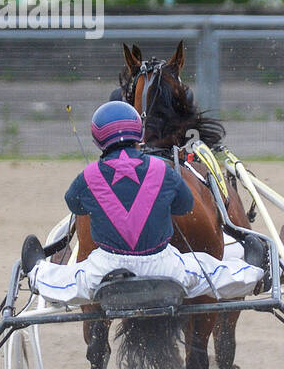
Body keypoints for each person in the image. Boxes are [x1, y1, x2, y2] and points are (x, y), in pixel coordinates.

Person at [25, 101, 266, 305]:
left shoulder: (88, 176)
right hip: (162, 266)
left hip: (106, 268)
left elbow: (74, 205)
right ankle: (253, 270)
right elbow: (183, 206)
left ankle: (36, 273)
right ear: (139, 135)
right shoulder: (163, 170)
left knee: (65, 281)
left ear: (98, 140)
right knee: (211, 271)